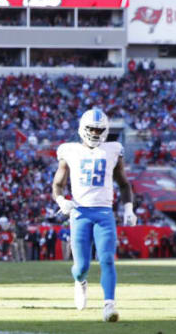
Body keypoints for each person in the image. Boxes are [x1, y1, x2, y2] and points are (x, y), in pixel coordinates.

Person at [52, 109, 137, 322]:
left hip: (104, 212)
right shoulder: (69, 151)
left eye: (99, 129)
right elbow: (58, 184)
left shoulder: (112, 150)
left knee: (107, 258)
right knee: (81, 268)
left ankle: (109, 305)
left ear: (106, 130)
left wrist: (129, 208)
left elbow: (124, 183)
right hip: (80, 213)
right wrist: (61, 200)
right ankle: (80, 282)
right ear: (82, 128)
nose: (95, 133)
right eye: (91, 128)